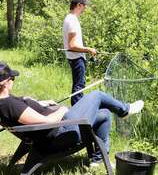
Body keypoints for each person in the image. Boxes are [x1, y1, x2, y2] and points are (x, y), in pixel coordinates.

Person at [0, 62, 144, 166]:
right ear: (6, 83)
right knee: (97, 95)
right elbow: (46, 121)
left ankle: (98, 160)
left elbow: (24, 110)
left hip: (54, 133)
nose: (14, 80)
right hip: (62, 133)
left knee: (105, 114)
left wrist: (41, 103)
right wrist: (62, 110)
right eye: (12, 78)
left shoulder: (5, 102)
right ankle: (124, 110)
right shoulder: (9, 105)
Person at [63, 0, 97, 106]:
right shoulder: (72, 20)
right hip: (77, 59)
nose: (85, 8)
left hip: (74, 58)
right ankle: (77, 115)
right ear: (79, 5)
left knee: (77, 86)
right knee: (79, 88)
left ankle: (75, 113)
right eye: (84, 6)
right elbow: (72, 45)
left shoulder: (69, 18)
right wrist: (89, 49)